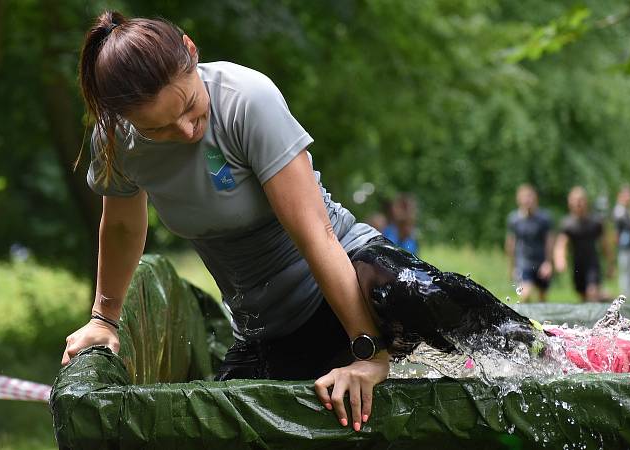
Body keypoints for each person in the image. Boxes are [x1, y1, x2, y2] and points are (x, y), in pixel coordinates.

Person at [61, 11, 388, 432]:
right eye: (157, 129)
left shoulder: (247, 99)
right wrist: (103, 320)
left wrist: (368, 354)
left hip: (351, 271)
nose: (184, 130)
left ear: (191, 51)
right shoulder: (116, 140)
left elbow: (316, 234)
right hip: (268, 326)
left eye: (188, 107)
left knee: (415, 294)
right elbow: (123, 227)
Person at [553, 187, 612, 302]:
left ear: (586, 201)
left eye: (580, 200)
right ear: (570, 203)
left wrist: (610, 264)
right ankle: (605, 297)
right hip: (577, 265)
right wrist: (560, 260)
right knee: (583, 296)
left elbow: (605, 244)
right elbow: (561, 244)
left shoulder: (596, 221)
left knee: (592, 292)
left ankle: (601, 302)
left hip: (592, 263)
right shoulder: (567, 224)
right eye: (575, 200)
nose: (578, 203)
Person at [505, 184, 554, 302]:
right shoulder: (514, 219)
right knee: (525, 294)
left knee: (542, 299)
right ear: (519, 199)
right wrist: (512, 266)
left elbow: (550, 241)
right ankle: (526, 319)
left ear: (535, 198)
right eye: (524, 197)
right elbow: (510, 244)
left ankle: (541, 320)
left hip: (541, 263)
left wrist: (548, 263)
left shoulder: (544, 218)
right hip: (523, 264)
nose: (528, 200)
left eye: (530, 196)